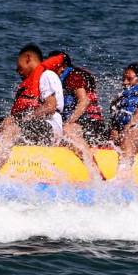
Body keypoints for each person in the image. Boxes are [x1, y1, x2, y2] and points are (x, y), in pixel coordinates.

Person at [0, 43, 64, 170]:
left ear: (28, 58)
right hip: (25, 124)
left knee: (12, 128)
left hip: (50, 127)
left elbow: (50, 107)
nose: (17, 70)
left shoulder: (46, 75)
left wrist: (18, 120)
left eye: (19, 66)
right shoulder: (28, 83)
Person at [46, 50, 108, 179]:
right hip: (76, 123)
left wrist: (68, 122)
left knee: (68, 130)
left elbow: (84, 101)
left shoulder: (73, 76)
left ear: (62, 66)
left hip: (91, 123)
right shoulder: (55, 80)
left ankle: (96, 173)